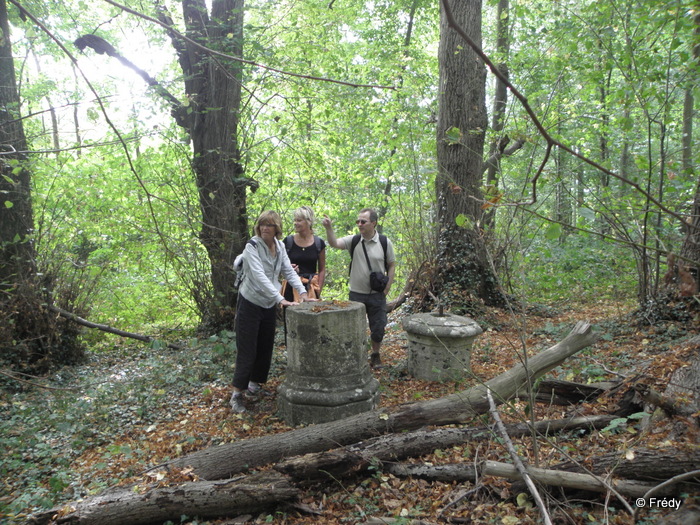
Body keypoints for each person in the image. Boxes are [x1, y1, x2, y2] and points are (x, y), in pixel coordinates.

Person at [230, 210, 315, 413]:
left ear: (276, 228)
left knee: (265, 345)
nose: (264, 228)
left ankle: (254, 386)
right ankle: (236, 395)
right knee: (247, 348)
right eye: (261, 224)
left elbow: (287, 270)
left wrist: (302, 293)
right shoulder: (252, 246)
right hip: (250, 301)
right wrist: (281, 299)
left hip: (268, 303)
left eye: (269, 225)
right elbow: (259, 276)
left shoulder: (279, 246)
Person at [322, 208, 396, 369]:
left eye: (363, 221)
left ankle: (375, 355)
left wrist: (387, 288)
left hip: (377, 295)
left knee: (378, 327)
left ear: (374, 223)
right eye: (358, 221)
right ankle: (357, 357)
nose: (360, 224)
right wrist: (329, 228)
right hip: (356, 295)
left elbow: (391, 264)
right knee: (354, 328)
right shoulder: (354, 240)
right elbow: (334, 244)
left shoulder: (384, 242)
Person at [282, 206, 326, 301]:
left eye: (299, 220)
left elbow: (322, 269)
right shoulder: (288, 242)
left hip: (311, 288)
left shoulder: (319, 243)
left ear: (308, 222)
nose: (295, 223)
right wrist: (288, 267)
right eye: (295, 220)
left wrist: (319, 289)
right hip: (291, 288)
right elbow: (278, 264)